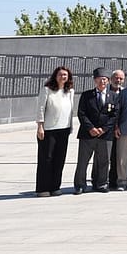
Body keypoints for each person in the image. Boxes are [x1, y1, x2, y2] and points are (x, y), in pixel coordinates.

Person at [74, 67, 119, 194]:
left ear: (108, 81)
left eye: (104, 80)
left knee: (104, 161)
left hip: (105, 134)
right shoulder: (87, 95)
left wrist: (103, 129)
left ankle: (101, 183)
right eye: (99, 80)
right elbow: (81, 113)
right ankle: (80, 185)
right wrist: (91, 128)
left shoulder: (114, 96)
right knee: (83, 161)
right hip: (88, 134)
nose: (102, 82)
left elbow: (115, 115)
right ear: (95, 80)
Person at [35, 66, 75, 197]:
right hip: (48, 129)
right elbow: (40, 109)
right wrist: (40, 126)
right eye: (60, 74)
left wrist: (70, 127)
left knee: (59, 159)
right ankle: (43, 188)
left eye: (65, 75)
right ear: (55, 76)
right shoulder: (47, 90)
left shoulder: (70, 91)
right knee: (46, 159)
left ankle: (55, 186)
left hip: (64, 129)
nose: (63, 77)